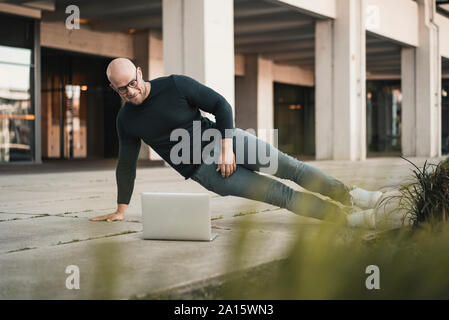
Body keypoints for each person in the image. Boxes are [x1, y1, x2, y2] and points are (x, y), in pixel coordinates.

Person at [90, 58, 383, 228]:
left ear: (140, 73)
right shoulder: (126, 120)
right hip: (207, 172)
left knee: (292, 168)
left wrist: (226, 148)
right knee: (279, 194)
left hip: (227, 141)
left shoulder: (175, 84)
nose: (130, 90)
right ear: (113, 88)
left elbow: (221, 105)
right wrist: (121, 209)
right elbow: (126, 165)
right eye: (122, 88)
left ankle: (352, 196)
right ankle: (346, 220)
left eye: (132, 82)